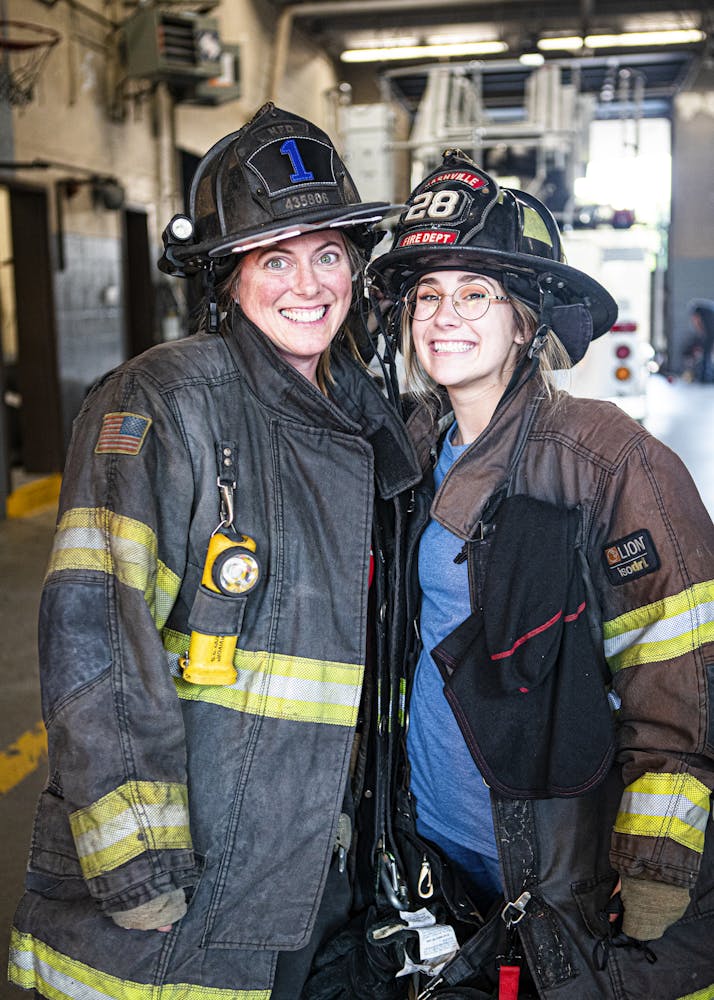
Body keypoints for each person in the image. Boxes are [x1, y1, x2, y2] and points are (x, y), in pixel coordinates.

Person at [8, 102, 421, 1000]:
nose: (308, 283)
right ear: (227, 279)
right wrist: (141, 865)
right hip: (184, 892)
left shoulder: (372, 420)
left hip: (322, 874)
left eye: (327, 254)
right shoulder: (163, 401)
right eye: (275, 257)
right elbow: (98, 634)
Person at [364, 149, 714, 999]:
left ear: (525, 323)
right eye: (429, 296)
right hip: (435, 856)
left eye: (475, 293)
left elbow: (683, 673)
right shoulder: (408, 451)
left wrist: (658, 863)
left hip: (564, 869)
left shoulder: (610, 460)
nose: (446, 315)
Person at [687, 298, 714, 384]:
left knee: (706, 354)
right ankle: (705, 376)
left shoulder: (703, 313)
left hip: (710, 333)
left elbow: (699, 325)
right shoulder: (707, 312)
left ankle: (705, 377)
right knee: (706, 354)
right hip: (709, 333)